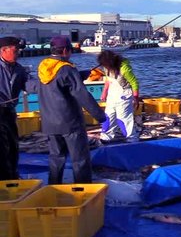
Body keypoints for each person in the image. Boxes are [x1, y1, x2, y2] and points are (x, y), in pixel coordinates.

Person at [27, 36, 106, 184]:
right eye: (70, 50)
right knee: (80, 159)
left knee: (56, 158)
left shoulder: (44, 67)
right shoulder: (67, 69)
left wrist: (78, 75)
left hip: (50, 123)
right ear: (64, 50)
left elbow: (54, 84)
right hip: (70, 123)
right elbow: (82, 95)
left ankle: (53, 187)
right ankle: (83, 190)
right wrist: (101, 116)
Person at [0, 36, 29, 180]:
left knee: (13, 146)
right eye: (16, 50)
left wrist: (48, 86)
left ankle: (12, 176)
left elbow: (29, 84)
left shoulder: (19, 69)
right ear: (3, 50)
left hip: (9, 113)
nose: (18, 53)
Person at [97, 50, 140, 143]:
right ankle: (106, 137)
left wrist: (136, 97)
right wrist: (104, 91)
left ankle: (132, 139)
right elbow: (108, 79)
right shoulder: (106, 67)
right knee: (108, 117)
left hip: (124, 94)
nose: (104, 67)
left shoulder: (124, 68)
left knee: (123, 118)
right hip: (112, 94)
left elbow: (134, 83)